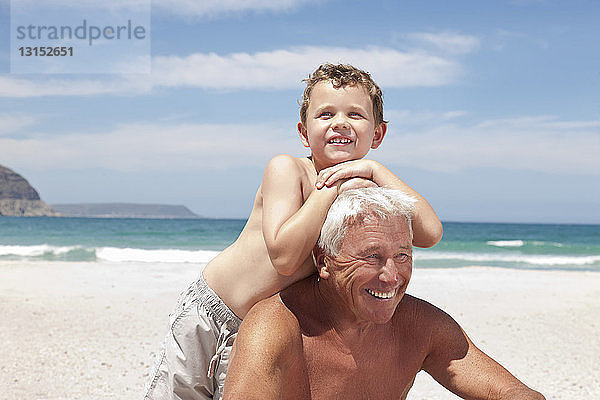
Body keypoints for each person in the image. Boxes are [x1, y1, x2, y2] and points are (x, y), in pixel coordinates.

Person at [144, 64, 443, 399]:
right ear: (304, 132)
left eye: (355, 114)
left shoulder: (366, 183)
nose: (340, 122)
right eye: (326, 113)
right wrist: (330, 188)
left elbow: (429, 232)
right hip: (214, 313)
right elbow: (285, 257)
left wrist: (376, 169)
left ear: (377, 134)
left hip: (260, 333)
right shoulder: (288, 170)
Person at [223, 187, 546, 400]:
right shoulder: (276, 327)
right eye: (372, 257)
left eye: (403, 256)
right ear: (324, 261)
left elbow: (518, 395)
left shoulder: (421, 325)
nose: (392, 277)